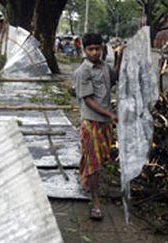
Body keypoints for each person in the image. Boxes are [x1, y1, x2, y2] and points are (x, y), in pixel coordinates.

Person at [73, 33, 122, 220]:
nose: (94, 52)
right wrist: (110, 114)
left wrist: (119, 56)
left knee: (97, 157)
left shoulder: (103, 67)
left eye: (98, 49)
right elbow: (89, 100)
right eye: (91, 49)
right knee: (94, 163)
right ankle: (95, 203)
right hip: (91, 122)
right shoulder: (82, 72)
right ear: (84, 50)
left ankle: (84, 179)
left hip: (105, 124)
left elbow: (115, 76)